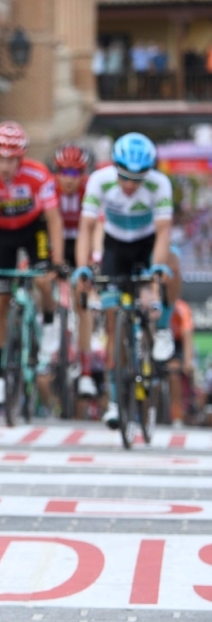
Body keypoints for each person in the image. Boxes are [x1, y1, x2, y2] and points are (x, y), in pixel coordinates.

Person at [75, 132, 175, 429]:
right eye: (124, 178)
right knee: (112, 318)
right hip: (115, 247)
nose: (130, 185)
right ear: (115, 169)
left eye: (137, 179)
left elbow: (164, 232)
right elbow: (86, 227)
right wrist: (82, 267)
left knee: (171, 268)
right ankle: (116, 401)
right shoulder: (99, 180)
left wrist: (156, 271)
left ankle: (162, 330)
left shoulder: (160, 184)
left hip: (146, 244)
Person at [0, 121, 64, 406]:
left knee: (44, 278)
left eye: (11, 159)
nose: (4, 166)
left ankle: (48, 325)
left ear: (21, 158)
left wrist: (56, 262)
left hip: (33, 229)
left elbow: (54, 218)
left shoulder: (38, 175)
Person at [51, 143, 97, 399]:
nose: (68, 179)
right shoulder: (49, 189)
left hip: (81, 244)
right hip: (56, 243)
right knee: (43, 281)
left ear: (83, 174)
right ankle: (46, 324)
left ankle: (87, 372)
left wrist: (90, 262)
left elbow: (93, 228)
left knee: (83, 304)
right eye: (63, 172)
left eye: (74, 173)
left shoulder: (90, 189)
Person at [169, 299, 195, 428]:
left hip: (176, 342)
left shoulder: (182, 308)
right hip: (158, 338)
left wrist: (187, 362)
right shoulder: (155, 305)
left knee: (174, 372)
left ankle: (177, 415)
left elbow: (187, 335)